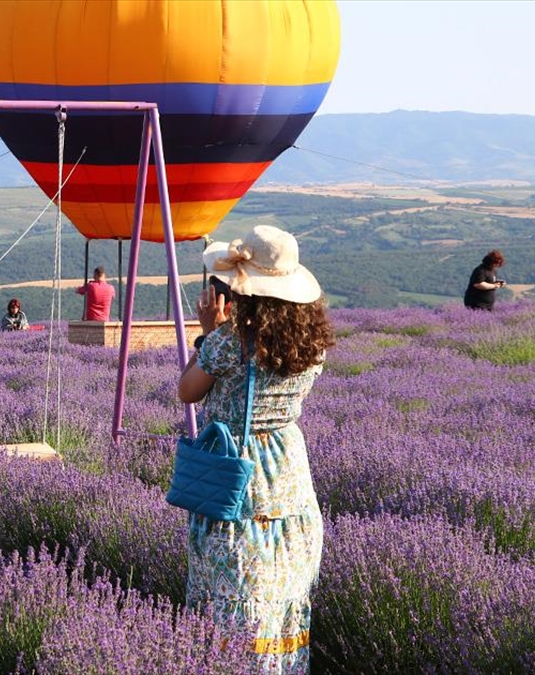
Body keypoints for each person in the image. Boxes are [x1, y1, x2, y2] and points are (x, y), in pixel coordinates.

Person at [177, 225, 335, 674]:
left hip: (238, 471)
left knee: (235, 596)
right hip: (288, 473)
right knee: (281, 593)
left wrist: (209, 334)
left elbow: (188, 392)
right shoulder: (313, 344)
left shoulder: (231, 343)